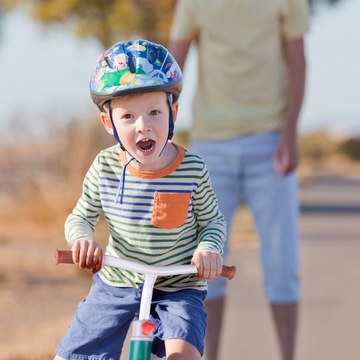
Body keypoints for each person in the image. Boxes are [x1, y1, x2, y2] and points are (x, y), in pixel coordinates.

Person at [54, 39, 226, 360]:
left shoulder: (192, 169)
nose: (143, 126)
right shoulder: (104, 166)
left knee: (182, 354)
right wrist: (83, 241)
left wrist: (208, 250)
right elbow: (81, 217)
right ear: (109, 123)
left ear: (173, 113)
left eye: (155, 112)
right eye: (128, 116)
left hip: (178, 286)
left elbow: (212, 221)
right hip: (117, 282)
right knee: (72, 355)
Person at [169, 1, 308, 360]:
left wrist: (290, 134)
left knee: (282, 263)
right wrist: (160, 135)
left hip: (271, 141)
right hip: (211, 146)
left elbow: (299, 63)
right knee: (204, 262)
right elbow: (174, 68)